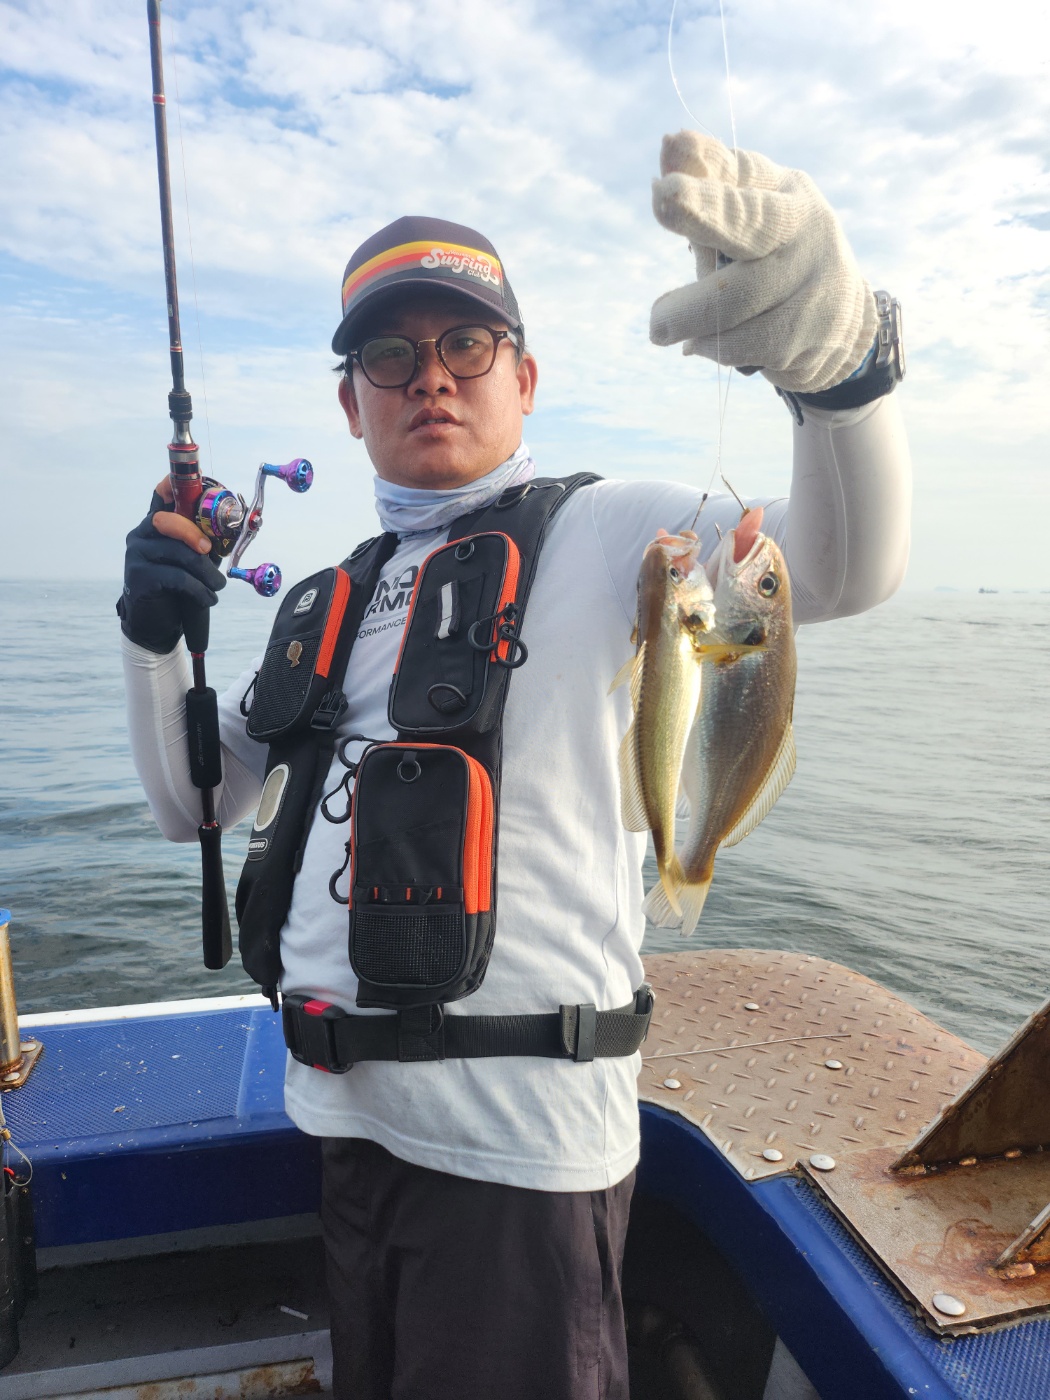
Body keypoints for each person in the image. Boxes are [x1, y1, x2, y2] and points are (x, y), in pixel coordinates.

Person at [119, 131, 911, 1400]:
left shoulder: (606, 531)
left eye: (466, 344)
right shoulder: (331, 594)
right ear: (351, 402)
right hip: (344, 1132)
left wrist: (844, 370)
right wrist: (152, 638)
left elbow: (839, 566)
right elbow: (193, 801)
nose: (430, 376)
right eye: (390, 355)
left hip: (517, 1160)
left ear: (524, 378)